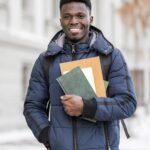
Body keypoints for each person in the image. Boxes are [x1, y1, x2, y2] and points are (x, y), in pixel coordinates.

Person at [23, 0, 137, 150]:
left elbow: (127, 103)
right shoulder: (46, 61)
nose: (74, 21)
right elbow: (32, 106)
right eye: (67, 16)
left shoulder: (110, 56)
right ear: (60, 20)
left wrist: (87, 107)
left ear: (90, 19)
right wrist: (46, 134)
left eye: (80, 15)